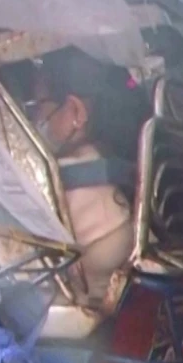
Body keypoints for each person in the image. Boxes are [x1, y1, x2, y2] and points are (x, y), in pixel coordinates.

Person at [18, 48, 150, 307]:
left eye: (37, 107)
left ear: (76, 112)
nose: (33, 120)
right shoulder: (117, 165)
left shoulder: (68, 178)